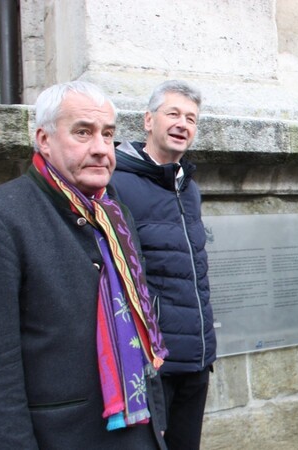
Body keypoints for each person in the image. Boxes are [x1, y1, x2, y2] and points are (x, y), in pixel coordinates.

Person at [0, 81, 168, 448]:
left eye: (108, 134)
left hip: (139, 431)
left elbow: (140, 321)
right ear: (44, 139)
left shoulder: (114, 211)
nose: (101, 149)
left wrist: (158, 420)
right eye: (83, 132)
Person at [110, 80, 216, 449]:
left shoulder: (189, 187)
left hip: (197, 357)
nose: (182, 124)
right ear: (148, 120)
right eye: (173, 113)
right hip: (152, 362)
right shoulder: (116, 183)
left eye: (191, 118)